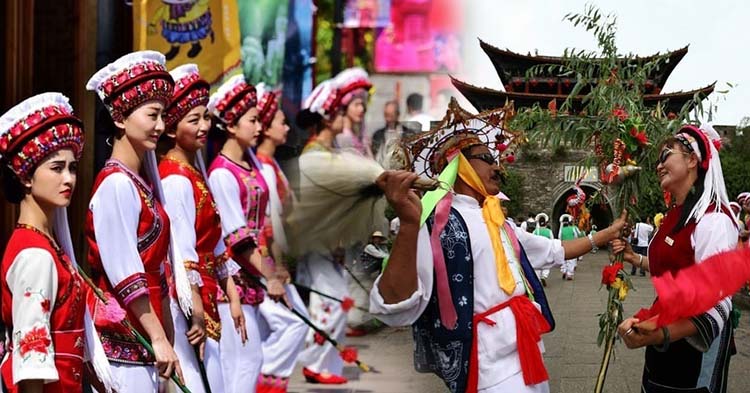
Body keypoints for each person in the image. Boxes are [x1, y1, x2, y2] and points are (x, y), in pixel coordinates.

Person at [370, 102, 626, 393]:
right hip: (489, 366)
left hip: (527, 347)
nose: (497, 166)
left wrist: (606, 233)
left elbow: (555, 251)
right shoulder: (437, 224)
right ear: (459, 164)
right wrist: (407, 224)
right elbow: (390, 307)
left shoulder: (497, 219)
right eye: (486, 158)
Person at [0, 93, 116, 393]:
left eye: (73, 168)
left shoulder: (46, 245)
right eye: (56, 168)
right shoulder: (35, 254)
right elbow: (31, 364)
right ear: (26, 176)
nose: (69, 179)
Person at [85, 50, 185, 392]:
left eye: (163, 115)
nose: (160, 125)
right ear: (120, 117)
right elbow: (126, 275)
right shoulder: (115, 185)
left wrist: (167, 337)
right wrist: (158, 338)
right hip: (126, 338)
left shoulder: (137, 181)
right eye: (152, 114)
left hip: (146, 335)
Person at [612, 124, 737, 393]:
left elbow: (718, 299)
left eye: (666, 155)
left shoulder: (713, 220)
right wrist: (635, 259)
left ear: (692, 160)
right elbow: (672, 269)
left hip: (695, 339)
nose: (658, 166)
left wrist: (661, 333)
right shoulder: (674, 215)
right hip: (664, 326)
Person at [158, 64, 246, 392]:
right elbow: (183, 255)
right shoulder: (176, 179)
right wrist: (195, 309)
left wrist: (232, 295)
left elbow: (216, 243)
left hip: (205, 295)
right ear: (171, 128)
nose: (204, 126)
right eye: (193, 120)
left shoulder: (195, 173)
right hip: (187, 302)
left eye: (205, 117)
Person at [206, 74, 287, 393]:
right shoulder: (223, 174)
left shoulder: (247, 164)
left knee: (248, 362)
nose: (258, 127)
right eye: (252, 120)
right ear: (230, 124)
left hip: (251, 279)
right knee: (242, 363)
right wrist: (271, 275)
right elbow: (238, 240)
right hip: (232, 284)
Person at [294, 79, 353, 384]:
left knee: (331, 301)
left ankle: (322, 364)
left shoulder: (324, 153)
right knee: (334, 300)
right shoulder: (314, 156)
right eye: (341, 113)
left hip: (329, 240)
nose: (346, 118)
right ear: (329, 117)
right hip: (320, 241)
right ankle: (314, 361)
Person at [254, 83, 309, 393]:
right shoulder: (260, 168)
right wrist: (273, 267)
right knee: (294, 322)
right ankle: (266, 383)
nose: (287, 127)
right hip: (259, 264)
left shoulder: (269, 164)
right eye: (280, 122)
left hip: (271, 261)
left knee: (290, 323)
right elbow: (265, 224)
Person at [333, 68, 373, 157]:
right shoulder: (342, 137)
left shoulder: (360, 135)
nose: (361, 109)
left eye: (363, 104)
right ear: (345, 107)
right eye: (356, 105)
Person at [558, 214, 583, 280]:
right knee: (571, 260)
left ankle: (564, 271)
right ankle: (569, 274)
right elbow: (576, 236)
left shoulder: (561, 229)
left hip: (563, 246)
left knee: (564, 259)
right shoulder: (572, 228)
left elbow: (559, 237)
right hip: (571, 245)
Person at [532, 213, 554, 286]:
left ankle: (538, 278)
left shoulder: (535, 231)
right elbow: (552, 240)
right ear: (546, 222)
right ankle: (544, 276)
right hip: (546, 249)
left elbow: (532, 240)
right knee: (547, 263)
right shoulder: (549, 231)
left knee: (538, 264)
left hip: (537, 249)